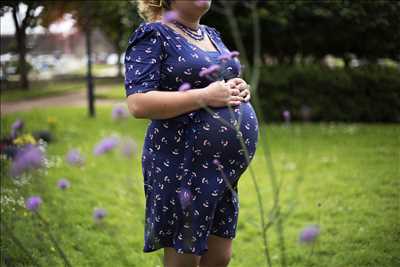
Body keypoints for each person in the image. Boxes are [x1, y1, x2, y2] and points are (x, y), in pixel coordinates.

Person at [124, 0, 259, 266]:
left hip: (222, 171)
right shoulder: (153, 34)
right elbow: (138, 103)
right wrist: (204, 96)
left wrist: (239, 87)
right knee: (185, 260)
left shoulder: (212, 34)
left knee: (220, 258)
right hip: (183, 167)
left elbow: (218, 84)